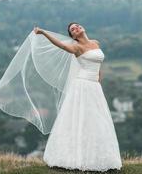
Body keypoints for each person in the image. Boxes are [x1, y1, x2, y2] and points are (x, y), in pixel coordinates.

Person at [34, 22, 123, 172]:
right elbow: (61, 46)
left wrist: (99, 78)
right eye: (72, 30)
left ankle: (96, 158)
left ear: (82, 28)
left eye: (77, 26)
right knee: (80, 119)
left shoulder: (96, 43)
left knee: (97, 120)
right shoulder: (76, 47)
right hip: (82, 86)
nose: (76, 28)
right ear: (73, 36)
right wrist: (43, 32)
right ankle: (75, 157)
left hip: (94, 86)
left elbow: (98, 64)